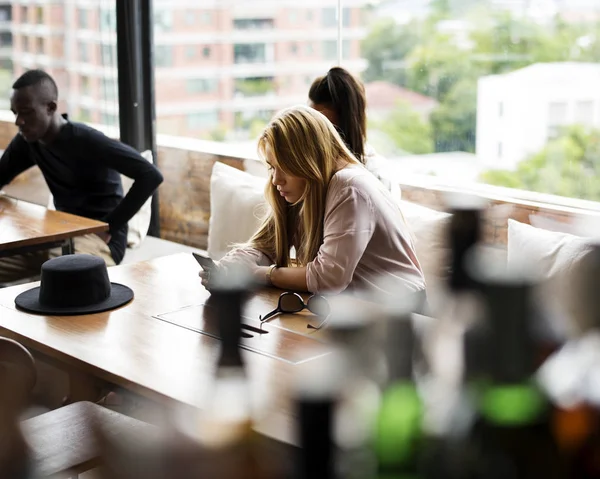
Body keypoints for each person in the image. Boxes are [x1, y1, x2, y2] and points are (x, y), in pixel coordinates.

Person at [202, 105, 425, 297]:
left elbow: (328, 277)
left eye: (285, 166)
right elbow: (264, 245)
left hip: (402, 314)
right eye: (271, 167)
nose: (276, 179)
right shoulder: (305, 188)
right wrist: (228, 267)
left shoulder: (350, 188)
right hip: (356, 308)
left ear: (306, 159)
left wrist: (260, 274)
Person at [0, 69, 163, 283]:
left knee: (59, 276)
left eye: (26, 112)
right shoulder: (28, 142)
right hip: (58, 235)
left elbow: (150, 175)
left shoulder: (86, 140)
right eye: (15, 113)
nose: (18, 121)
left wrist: (109, 226)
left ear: (51, 107)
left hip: (100, 240)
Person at [308, 67, 401, 199]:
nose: (317, 137)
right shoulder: (313, 169)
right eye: (312, 126)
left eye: (331, 130)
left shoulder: (375, 177)